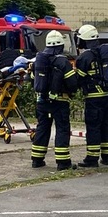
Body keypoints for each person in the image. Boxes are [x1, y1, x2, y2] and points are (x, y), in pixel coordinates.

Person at [31, 30, 78, 170]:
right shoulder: (63, 62)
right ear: (61, 46)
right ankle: (63, 163)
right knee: (62, 129)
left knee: (42, 128)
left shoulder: (39, 60)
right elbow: (72, 84)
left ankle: (37, 160)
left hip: (42, 101)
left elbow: (33, 80)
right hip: (60, 102)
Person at [74, 24, 108, 168]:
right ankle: (107, 157)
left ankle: (91, 159)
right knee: (105, 126)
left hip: (94, 98)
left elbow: (78, 80)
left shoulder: (85, 57)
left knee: (93, 128)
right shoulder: (104, 54)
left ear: (83, 40)